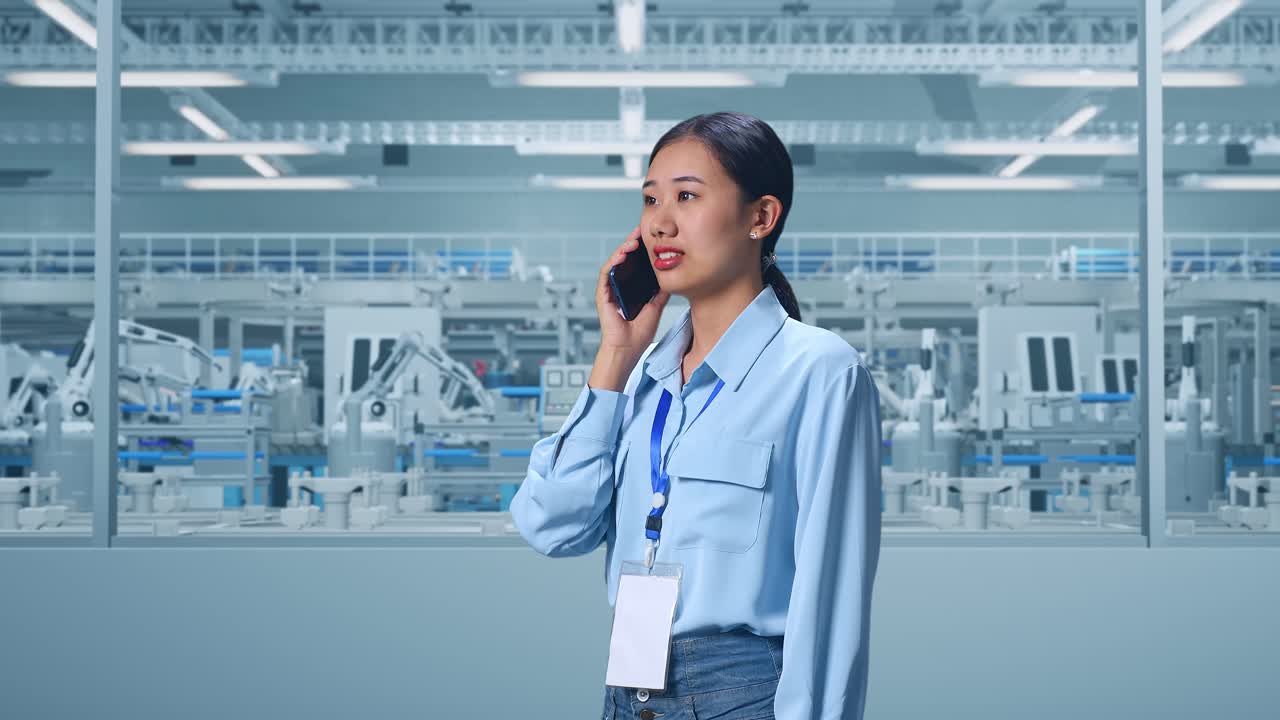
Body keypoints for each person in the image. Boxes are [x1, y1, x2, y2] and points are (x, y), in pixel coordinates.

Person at [511, 111, 882, 720]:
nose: (659, 221)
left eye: (686, 195)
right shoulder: (646, 377)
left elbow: (832, 596)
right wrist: (617, 354)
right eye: (650, 198)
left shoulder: (819, 371)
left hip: (743, 696)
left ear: (760, 217)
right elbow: (552, 526)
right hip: (629, 688)